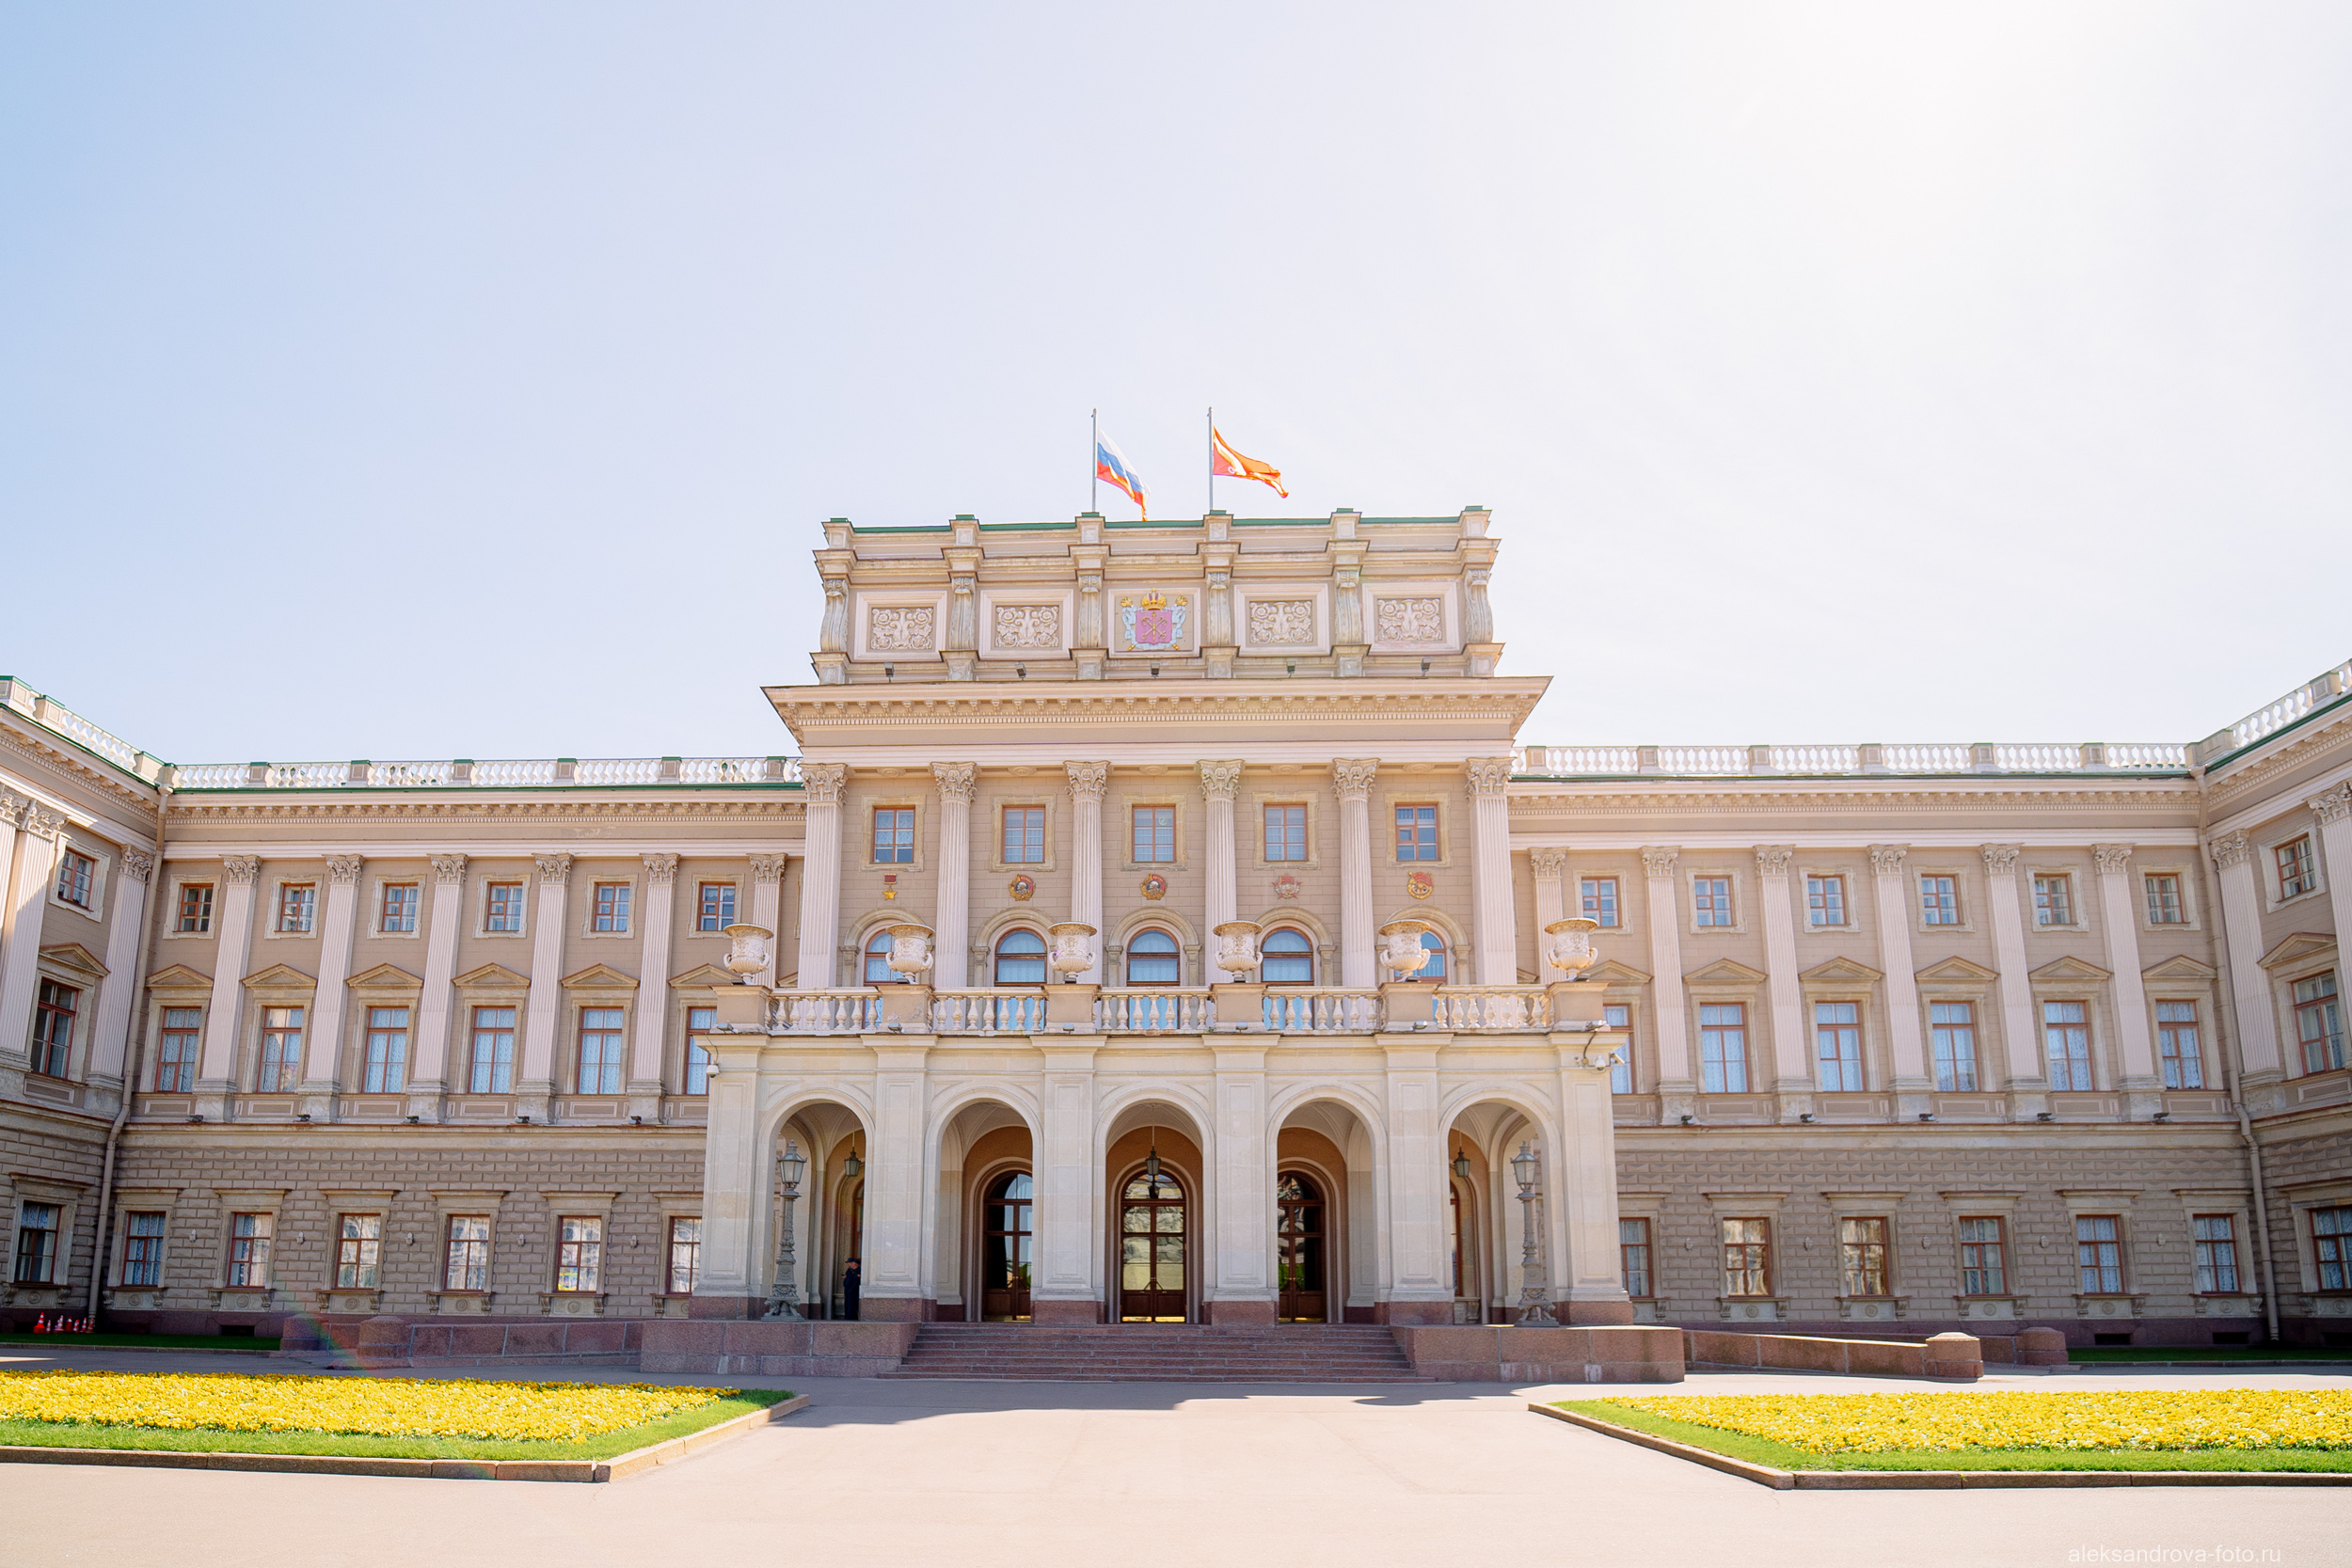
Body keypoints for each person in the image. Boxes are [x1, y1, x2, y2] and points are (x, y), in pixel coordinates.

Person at [841, 1256, 862, 1321]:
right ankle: (847, 1316)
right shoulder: (849, 1270)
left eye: (850, 1263)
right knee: (847, 1303)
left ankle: (852, 1317)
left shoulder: (858, 1270)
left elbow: (857, 1280)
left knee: (852, 1304)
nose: (849, 1264)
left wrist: (853, 1288)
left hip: (853, 1290)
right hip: (848, 1289)